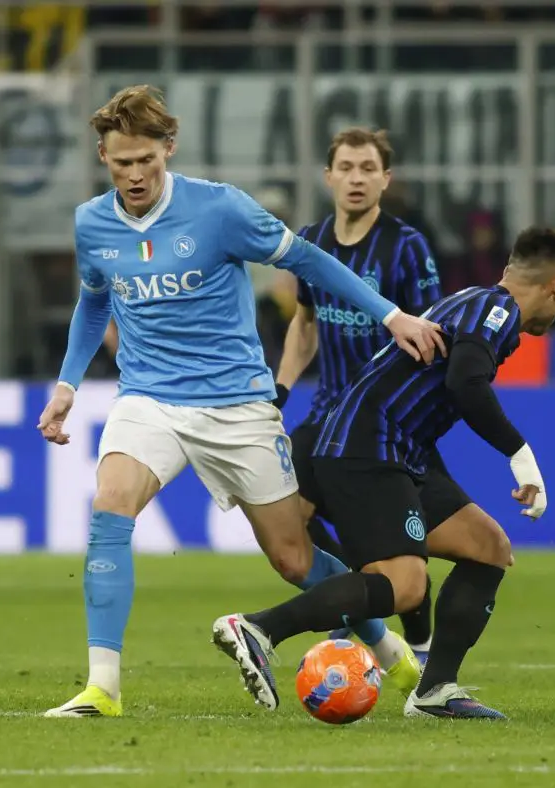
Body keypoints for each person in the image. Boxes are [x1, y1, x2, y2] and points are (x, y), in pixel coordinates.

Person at [35, 85, 443, 718]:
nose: (135, 175)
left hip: (236, 404)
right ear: (103, 157)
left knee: (293, 558)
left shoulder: (219, 209)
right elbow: (94, 302)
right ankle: (102, 688)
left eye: (146, 160)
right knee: (109, 506)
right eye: (122, 163)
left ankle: (390, 652)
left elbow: (309, 259)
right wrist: (67, 385)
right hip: (148, 399)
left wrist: (391, 316)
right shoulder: (92, 222)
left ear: (169, 149)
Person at [211, 227, 555, 719]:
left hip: (397, 450)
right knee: (404, 585)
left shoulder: (474, 301)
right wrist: (520, 455)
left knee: (488, 547)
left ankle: (434, 691)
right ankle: (259, 629)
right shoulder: (498, 311)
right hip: (369, 447)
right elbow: (466, 381)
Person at [272, 127, 442, 664]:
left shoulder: (406, 247)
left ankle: (421, 653)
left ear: (386, 180)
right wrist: (280, 390)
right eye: (346, 167)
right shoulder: (311, 242)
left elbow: (432, 333)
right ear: (328, 177)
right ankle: (358, 600)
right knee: (285, 523)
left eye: (368, 169)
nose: (356, 178)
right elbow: (305, 322)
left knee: (406, 550)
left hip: (389, 425)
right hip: (327, 415)